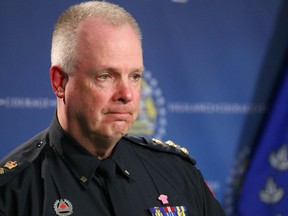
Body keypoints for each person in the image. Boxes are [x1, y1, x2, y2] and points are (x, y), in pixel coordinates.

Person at [0, 1, 226, 216]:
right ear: (60, 82)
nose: (127, 95)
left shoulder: (178, 175)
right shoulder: (12, 193)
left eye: (135, 76)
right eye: (105, 76)